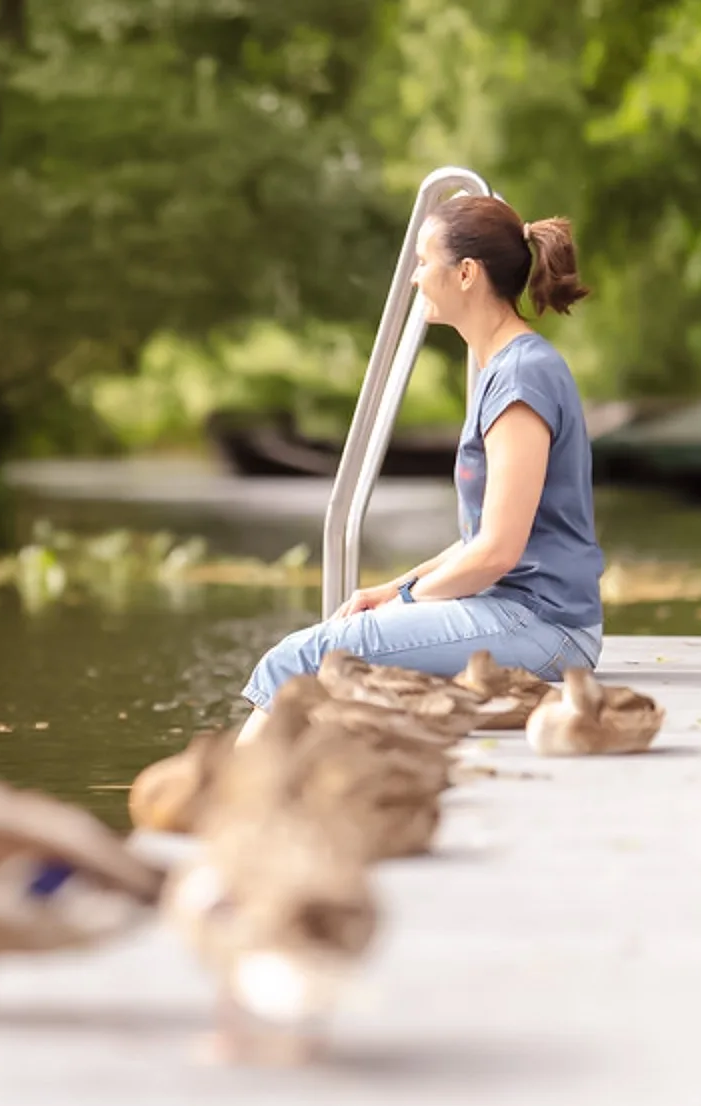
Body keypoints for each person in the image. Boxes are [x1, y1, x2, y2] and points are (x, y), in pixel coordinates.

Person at [236, 195, 605, 740]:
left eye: (422, 261)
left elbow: (498, 551)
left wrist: (404, 604)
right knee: (326, 654)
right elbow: (481, 539)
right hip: (517, 613)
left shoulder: (522, 377)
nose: (413, 278)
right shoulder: (502, 368)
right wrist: (393, 589)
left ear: (465, 274)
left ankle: (227, 806)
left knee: (300, 658)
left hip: (544, 627)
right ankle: (270, 797)